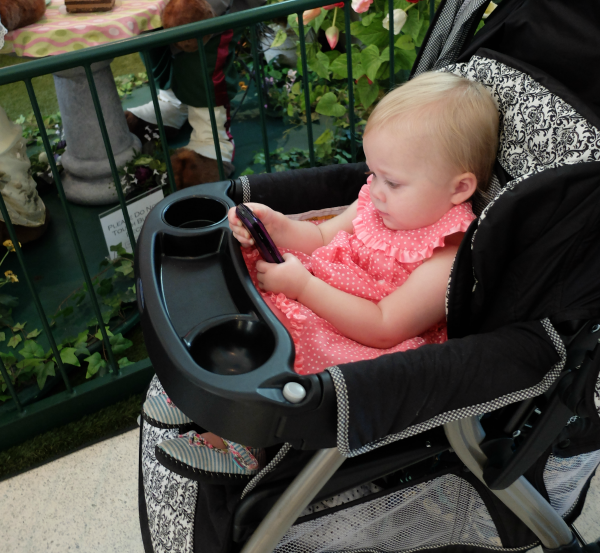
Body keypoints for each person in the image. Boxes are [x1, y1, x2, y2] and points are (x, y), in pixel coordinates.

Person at [149, 72, 499, 475]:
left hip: (362, 336)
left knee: (297, 343)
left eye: (393, 182)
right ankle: (215, 389)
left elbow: (384, 326)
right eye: (373, 174)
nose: (376, 190)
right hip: (319, 289)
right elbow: (319, 236)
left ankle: (239, 442)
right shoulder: (377, 202)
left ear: (459, 188)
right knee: (248, 288)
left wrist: (303, 288)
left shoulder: (447, 257)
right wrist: (277, 226)